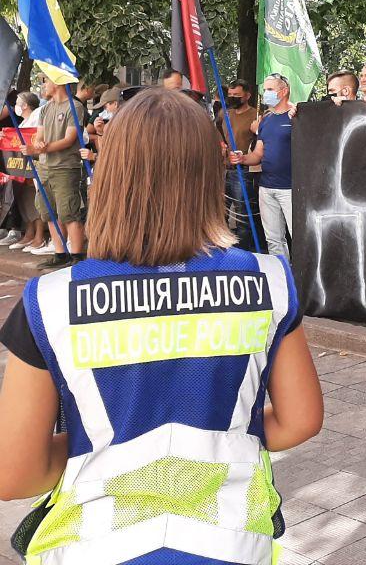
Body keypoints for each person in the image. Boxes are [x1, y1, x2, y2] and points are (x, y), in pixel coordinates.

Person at [0, 88, 323, 562]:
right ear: (208, 174)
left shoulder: (50, 301)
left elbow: (14, 474)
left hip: (97, 546)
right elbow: (300, 421)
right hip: (231, 543)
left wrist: (108, 449)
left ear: (111, 175)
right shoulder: (268, 281)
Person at [20, 78, 87, 265]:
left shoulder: (74, 107)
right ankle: (60, 254)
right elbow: (38, 136)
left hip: (65, 167)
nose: (43, 86)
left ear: (56, 82)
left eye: (46, 81)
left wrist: (42, 148)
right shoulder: (45, 109)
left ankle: (76, 256)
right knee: (49, 212)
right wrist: (37, 144)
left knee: (69, 212)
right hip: (45, 168)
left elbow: (69, 139)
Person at [232, 73, 294, 258]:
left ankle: (302, 277)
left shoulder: (296, 116)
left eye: (269, 90)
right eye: (264, 90)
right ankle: (282, 274)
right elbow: (258, 154)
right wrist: (243, 159)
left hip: (291, 188)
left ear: (283, 92)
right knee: (273, 239)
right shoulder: (265, 119)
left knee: (298, 235)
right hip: (266, 187)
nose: (265, 94)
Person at [218, 79, 263, 253]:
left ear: (247, 95)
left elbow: (262, 142)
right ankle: (222, 250)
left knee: (243, 215)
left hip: (243, 171)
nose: (232, 98)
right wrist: (221, 144)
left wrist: (257, 131)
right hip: (224, 170)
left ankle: (244, 252)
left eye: (237, 95)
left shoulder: (256, 116)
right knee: (220, 213)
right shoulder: (225, 114)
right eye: (230, 95)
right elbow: (218, 132)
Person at [9, 92, 47, 255]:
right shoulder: (24, 121)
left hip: (35, 166)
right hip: (21, 169)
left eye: (18, 102)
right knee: (25, 200)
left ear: (26, 105)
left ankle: (40, 236)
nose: (16, 105)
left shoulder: (37, 115)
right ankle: (29, 233)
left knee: (35, 201)